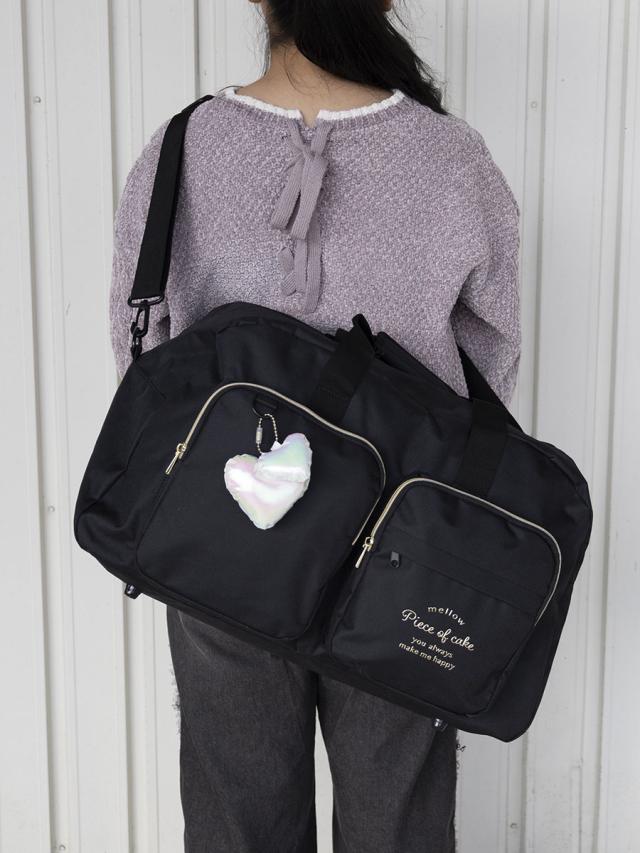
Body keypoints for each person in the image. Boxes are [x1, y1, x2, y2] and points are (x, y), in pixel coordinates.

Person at [109, 1, 521, 850]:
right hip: (404, 542)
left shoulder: (185, 147)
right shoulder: (452, 160)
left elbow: (142, 346)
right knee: (398, 822)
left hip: (222, 532)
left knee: (237, 819)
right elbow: (492, 355)